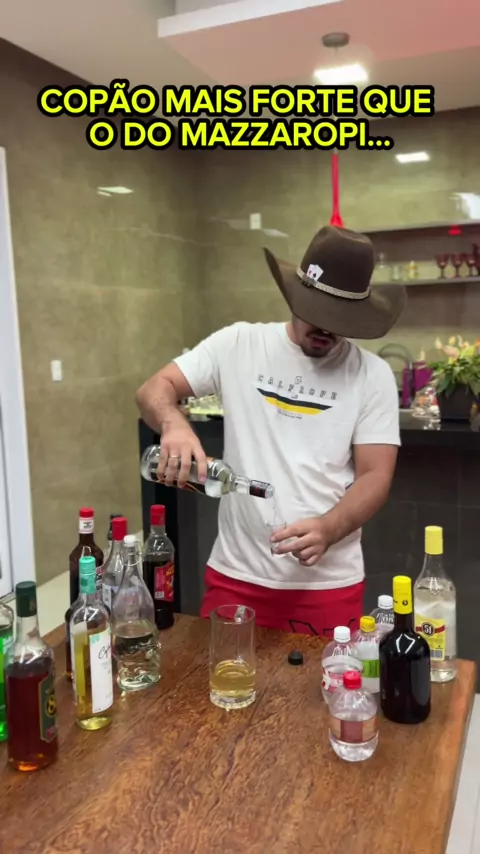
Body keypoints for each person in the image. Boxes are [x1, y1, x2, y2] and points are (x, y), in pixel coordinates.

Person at [136, 225, 406, 637]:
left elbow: (376, 476)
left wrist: (330, 528)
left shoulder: (373, 374)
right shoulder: (238, 344)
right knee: (220, 679)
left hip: (328, 584)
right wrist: (173, 424)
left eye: (339, 320)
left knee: (327, 683)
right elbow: (153, 389)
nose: (326, 329)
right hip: (236, 576)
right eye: (317, 313)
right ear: (296, 296)